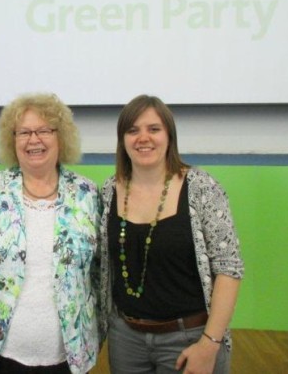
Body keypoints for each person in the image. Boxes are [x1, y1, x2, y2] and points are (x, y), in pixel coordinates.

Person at [100, 95, 244, 374]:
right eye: (133, 130)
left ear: (169, 135)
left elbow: (229, 268)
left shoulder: (202, 188)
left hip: (191, 338)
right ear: (122, 140)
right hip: (126, 339)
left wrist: (210, 343)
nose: (143, 138)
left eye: (154, 129)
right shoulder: (109, 191)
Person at [0, 93, 102, 374]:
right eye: (24, 132)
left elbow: (100, 272)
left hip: (71, 354)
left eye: (44, 131)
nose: (34, 140)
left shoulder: (87, 194)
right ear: (12, 139)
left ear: (61, 137)